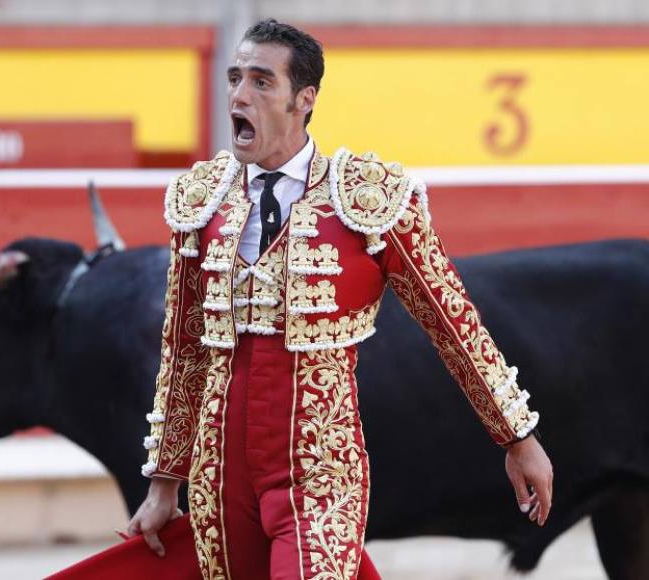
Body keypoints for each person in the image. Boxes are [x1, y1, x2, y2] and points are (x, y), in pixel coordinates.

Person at [127, 19, 553, 580]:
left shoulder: (367, 197)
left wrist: (517, 436)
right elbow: (184, 349)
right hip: (220, 475)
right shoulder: (201, 200)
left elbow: (451, 321)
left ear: (304, 99)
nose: (238, 95)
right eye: (235, 78)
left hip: (320, 470)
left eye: (260, 81)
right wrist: (164, 483)